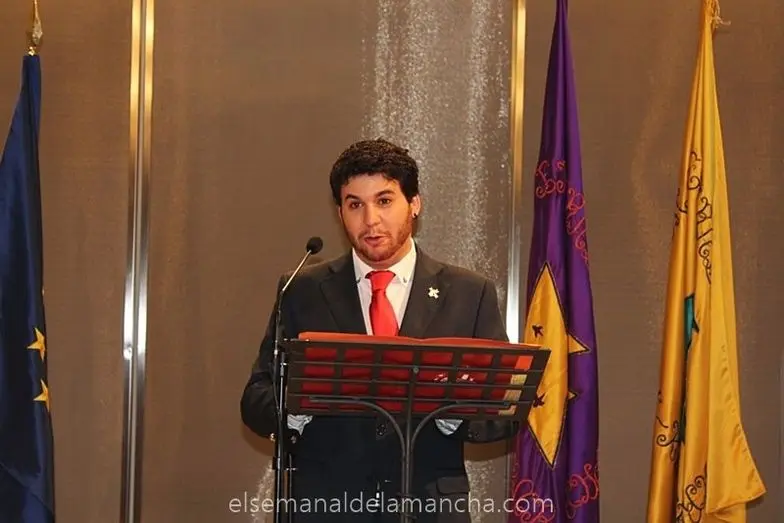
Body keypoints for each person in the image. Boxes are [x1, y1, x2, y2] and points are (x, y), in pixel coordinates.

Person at [240, 139, 520, 522]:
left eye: (385, 201)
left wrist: (454, 411)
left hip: (428, 508)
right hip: (326, 508)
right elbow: (256, 399)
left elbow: (504, 410)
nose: (370, 220)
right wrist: (295, 408)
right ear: (340, 212)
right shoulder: (301, 290)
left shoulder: (469, 293)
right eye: (355, 205)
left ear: (414, 203)